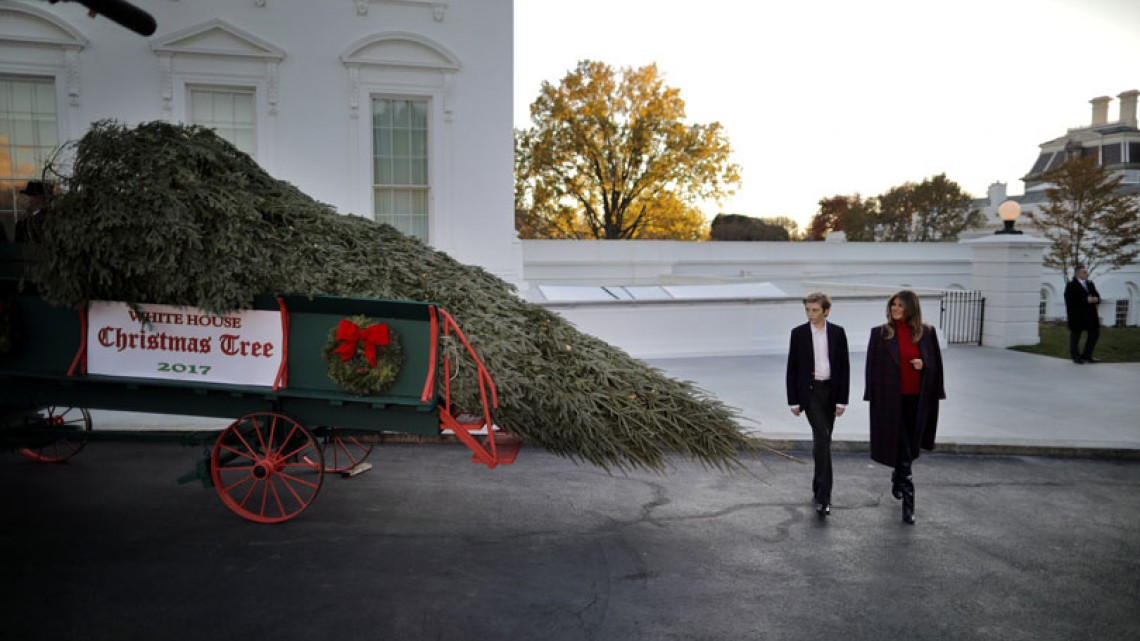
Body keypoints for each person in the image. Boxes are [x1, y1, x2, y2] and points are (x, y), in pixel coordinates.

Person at [864, 290, 945, 525]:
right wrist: (871, 396)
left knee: (907, 447)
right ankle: (909, 502)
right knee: (904, 448)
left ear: (911, 308)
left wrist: (924, 364)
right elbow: (872, 369)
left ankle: (898, 476)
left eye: (900, 305)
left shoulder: (926, 333)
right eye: (893, 305)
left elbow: (936, 367)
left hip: (917, 401)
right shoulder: (880, 334)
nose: (895, 309)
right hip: (890, 401)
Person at [786, 292, 849, 518]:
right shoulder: (799, 334)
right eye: (807, 310)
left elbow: (844, 369)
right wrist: (793, 400)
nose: (810, 314)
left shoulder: (838, 333)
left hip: (831, 393)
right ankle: (824, 497)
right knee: (822, 438)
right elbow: (792, 368)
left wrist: (842, 400)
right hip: (810, 393)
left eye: (814, 310)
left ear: (826, 311)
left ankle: (817, 481)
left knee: (822, 441)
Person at [1064, 265, 1101, 364]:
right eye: (1084, 272)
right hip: (1077, 316)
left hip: (1090, 315)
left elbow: (1097, 297)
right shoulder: (1071, 285)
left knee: (1094, 333)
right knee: (1075, 336)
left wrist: (1091, 299)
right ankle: (1076, 356)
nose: (1086, 274)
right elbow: (1072, 301)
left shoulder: (1090, 284)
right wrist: (1087, 300)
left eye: (1086, 272)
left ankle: (1087, 355)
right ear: (1077, 274)